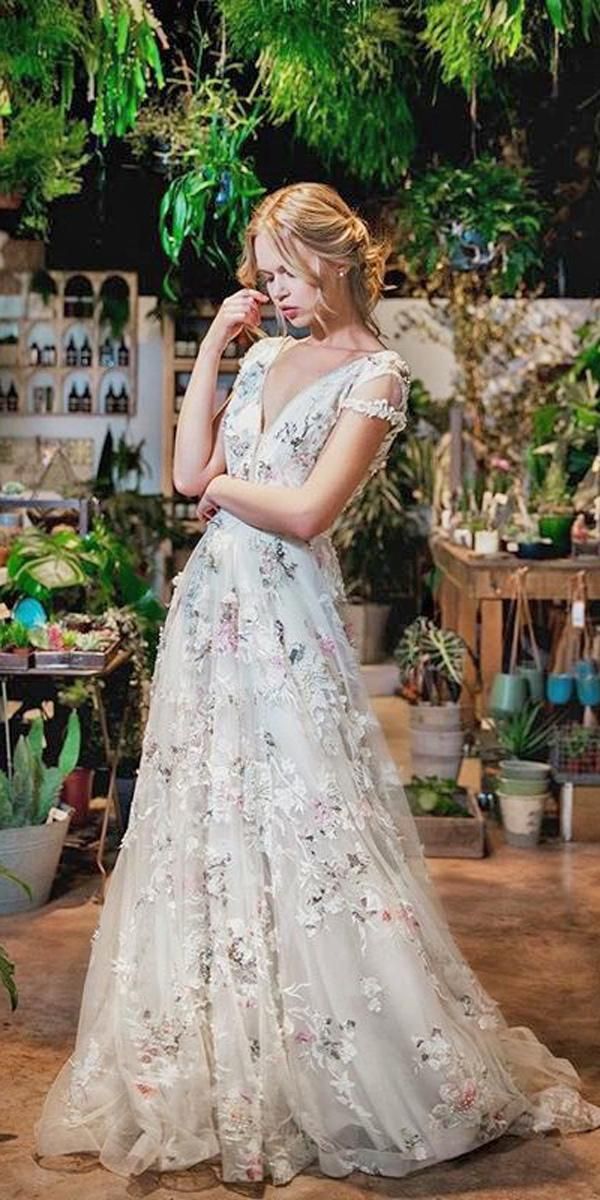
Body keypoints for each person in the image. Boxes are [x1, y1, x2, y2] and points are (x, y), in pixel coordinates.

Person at [36, 182, 600, 1185]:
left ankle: (331, 1054)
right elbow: (183, 468)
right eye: (262, 273)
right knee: (204, 826)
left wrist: (221, 492)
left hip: (288, 624)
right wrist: (216, 343)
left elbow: (304, 513)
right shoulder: (257, 353)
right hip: (214, 619)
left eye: (284, 272)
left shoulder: (376, 376)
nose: (272, 289)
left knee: (307, 825)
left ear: (331, 263)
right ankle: (214, 1051)